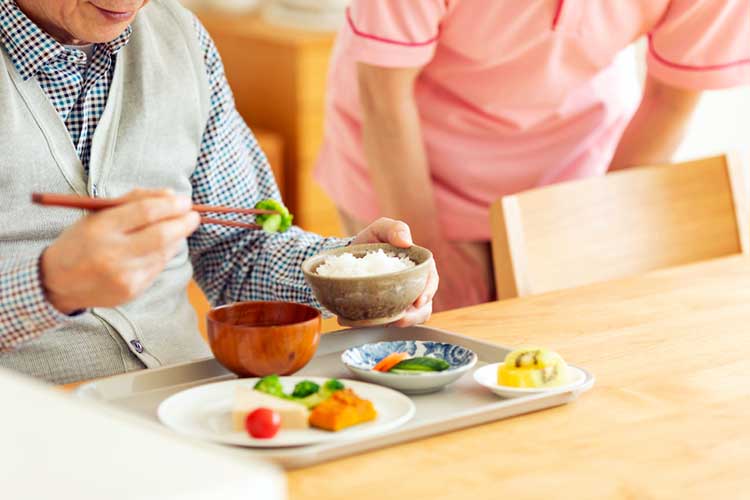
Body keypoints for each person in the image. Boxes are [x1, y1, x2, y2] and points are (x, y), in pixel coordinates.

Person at [0, 0, 438, 385]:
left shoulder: (181, 38)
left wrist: (348, 274)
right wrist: (49, 286)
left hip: (188, 404)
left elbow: (239, 249)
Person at [315, 0, 750, 311]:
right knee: (430, 349)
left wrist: (600, 230)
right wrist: (431, 254)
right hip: (406, 165)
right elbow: (384, 98)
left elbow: (669, 100)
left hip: (574, 168)